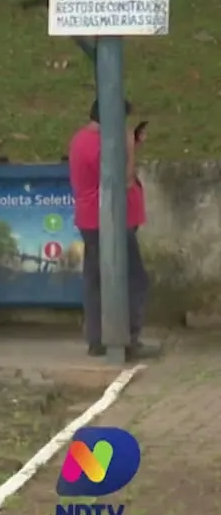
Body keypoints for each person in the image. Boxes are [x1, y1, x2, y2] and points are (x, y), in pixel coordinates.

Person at [68, 99, 161, 360]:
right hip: (108, 221)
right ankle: (126, 339)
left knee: (97, 280)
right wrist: (130, 148)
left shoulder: (83, 139)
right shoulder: (99, 146)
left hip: (96, 219)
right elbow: (124, 179)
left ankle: (98, 338)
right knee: (133, 280)